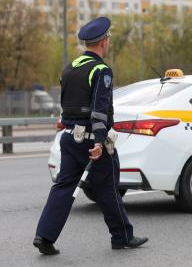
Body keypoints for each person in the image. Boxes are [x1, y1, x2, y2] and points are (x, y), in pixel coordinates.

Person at [33, 17, 148, 255]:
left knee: (64, 186)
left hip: (69, 137)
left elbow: (67, 106)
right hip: (90, 141)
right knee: (107, 187)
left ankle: (44, 236)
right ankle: (122, 237)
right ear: (104, 42)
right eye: (108, 40)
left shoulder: (70, 67)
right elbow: (99, 109)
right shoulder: (101, 70)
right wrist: (98, 141)